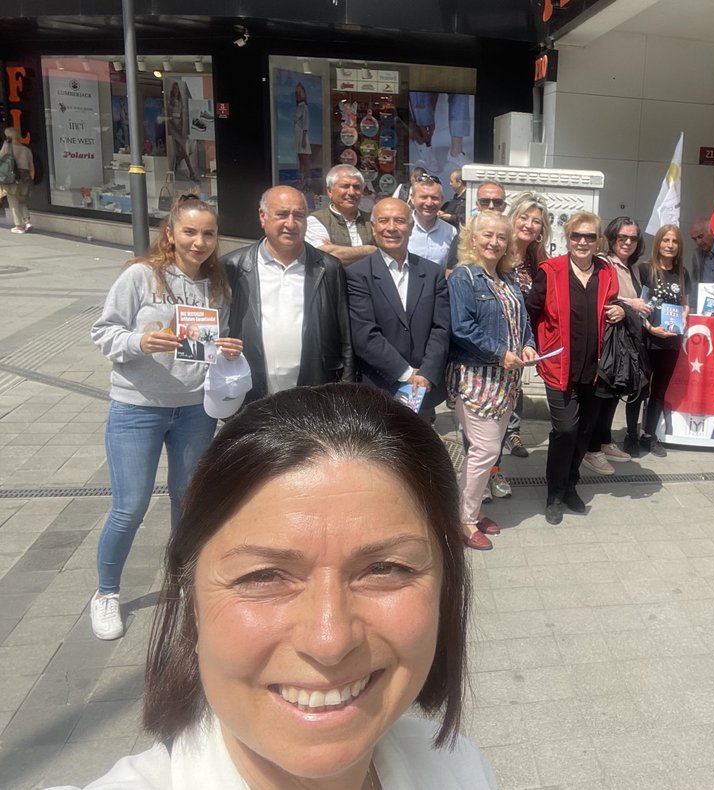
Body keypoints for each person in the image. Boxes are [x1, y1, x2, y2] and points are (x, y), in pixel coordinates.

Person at [58, 385, 496, 788]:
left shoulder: (459, 769)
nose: (329, 640)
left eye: (384, 568)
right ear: (190, 600)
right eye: (263, 576)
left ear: (445, 588)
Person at [88, 196, 243, 641]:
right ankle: (106, 593)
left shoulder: (218, 285)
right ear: (171, 233)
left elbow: (214, 342)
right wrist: (140, 342)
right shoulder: (140, 275)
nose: (200, 242)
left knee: (187, 501)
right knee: (129, 506)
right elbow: (103, 331)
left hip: (195, 409)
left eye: (209, 234)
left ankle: (182, 582)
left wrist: (228, 348)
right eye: (191, 232)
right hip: (137, 406)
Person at [447, 212, 538, 550]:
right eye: (487, 235)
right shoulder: (464, 277)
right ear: (473, 238)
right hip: (477, 378)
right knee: (484, 450)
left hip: (507, 380)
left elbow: (524, 321)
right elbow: (462, 328)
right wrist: (500, 352)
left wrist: (528, 345)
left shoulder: (507, 278)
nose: (494, 242)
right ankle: (464, 519)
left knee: (487, 451)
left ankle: (467, 508)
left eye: (501, 237)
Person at [527, 210, 623, 524]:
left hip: (595, 368)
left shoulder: (606, 272)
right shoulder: (550, 270)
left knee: (583, 433)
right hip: (559, 366)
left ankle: (570, 485)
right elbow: (531, 311)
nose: (582, 242)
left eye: (589, 236)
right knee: (565, 429)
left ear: (599, 241)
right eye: (576, 236)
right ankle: (554, 493)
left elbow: (612, 305)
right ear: (567, 238)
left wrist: (620, 311)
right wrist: (530, 346)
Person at [223, 186, 354, 403]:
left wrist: (345, 392)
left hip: (312, 392)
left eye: (299, 215)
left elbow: (345, 337)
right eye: (282, 214)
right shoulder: (233, 266)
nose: (291, 224)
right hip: (251, 393)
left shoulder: (328, 268)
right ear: (262, 216)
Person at [345, 198, 450, 422]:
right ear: (373, 228)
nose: (391, 227)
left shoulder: (432, 273)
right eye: (383, 221)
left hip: (423, 388)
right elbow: (364, 333)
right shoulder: (357, 274)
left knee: (418, 452)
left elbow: (441, 328)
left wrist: (426, 374)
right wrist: (406, 373)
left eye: (400, 221)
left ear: (411, 228)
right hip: (378, 386)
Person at [585, 216, 653, 471]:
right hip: (607, 341)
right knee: (600, 395)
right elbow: (601, 296)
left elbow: (635, 303)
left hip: (627, 340)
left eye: (632, 238)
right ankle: (590, 449)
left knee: (614, 393)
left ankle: (604, 441)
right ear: (612, 238)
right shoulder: (603, 263)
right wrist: (629, 304)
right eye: (621, 237)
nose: (627, 242)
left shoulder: (633, 267)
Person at [497, 191, 549, 464]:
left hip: (522, 340)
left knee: (513, 392)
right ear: (513, 218)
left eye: (536, 221)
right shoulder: (498, 252)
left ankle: (511, 432)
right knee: (491, 406)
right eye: (524, 217)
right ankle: (490, 466)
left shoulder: (540, 260)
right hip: (493, 341)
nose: (529, 224)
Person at [636, 223, 691, 458]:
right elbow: (639, 305)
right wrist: (650, 327)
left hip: (671, 341)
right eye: (666, 240)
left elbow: (685, 303)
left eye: (675, 241)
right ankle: (631, 434)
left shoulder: (682, 273)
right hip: (648, 338)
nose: (670, 245)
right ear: (658, 243)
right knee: (640, 389)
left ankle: (650, 435)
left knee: (659, 390)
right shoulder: (645, 269)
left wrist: (685, 317)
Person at [305, 164, 378, 265]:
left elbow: (386, 254)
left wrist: (338, 251)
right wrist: (369, 250)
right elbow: (322, 256)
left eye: (356, 187)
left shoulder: (371, 220)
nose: (351, 192)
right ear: (330, 191)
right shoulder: (316, 220)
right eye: (345, 186)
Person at [407, 174, 457, 268]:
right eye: (423, 197)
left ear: (442, 200)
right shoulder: (402, 230)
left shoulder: (451, 232)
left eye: (434, 198)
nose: (429, 203)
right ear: (412, 198)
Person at [1, 127, 35, 233]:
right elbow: (32, 168)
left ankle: (19, 226)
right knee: (22, 201)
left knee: (13, 202)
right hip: (25, 178)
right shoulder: (27, 150)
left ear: (8, 136)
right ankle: (28, 222)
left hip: (12, 178)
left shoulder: (7, 146)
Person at [166, 81, 198, 182]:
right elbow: (169, 118)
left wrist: (182, 129)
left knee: (181, 152)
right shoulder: (170, 102)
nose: (176, 91)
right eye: (174, 89)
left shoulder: (180, 102)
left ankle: (175, 169)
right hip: (173, 128)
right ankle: (191, 173)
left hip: (179, 128)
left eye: (177, 89)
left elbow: (183, 117)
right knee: (183, 150)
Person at [293, 80, 312, 195]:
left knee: (305, 159)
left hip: (302, 136)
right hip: (298, 135)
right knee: (301, 159)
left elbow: (306, 123)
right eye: (297, 93)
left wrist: (304, 138)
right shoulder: (299, 107)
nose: (299, 95)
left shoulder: (304, 107)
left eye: (301, 92)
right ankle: (301, 180)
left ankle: (308, 181)